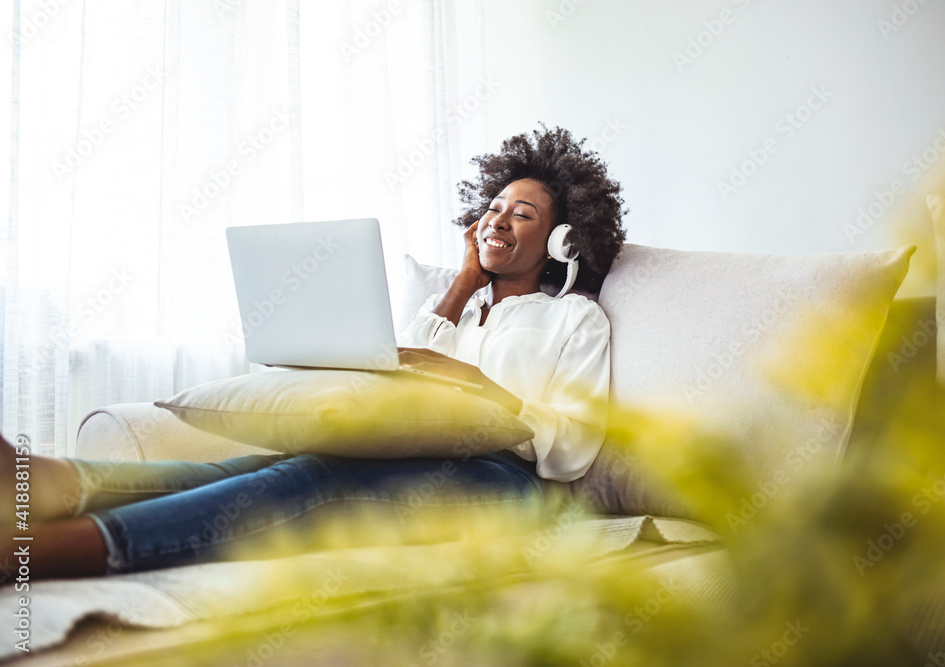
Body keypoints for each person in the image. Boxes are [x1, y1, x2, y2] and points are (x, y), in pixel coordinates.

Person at [0, 124, 627, 581]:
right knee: (256, 469)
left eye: (521, 215)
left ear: (562, 239)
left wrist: (480, 386)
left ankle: (51, 552)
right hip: (416, 445)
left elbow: (572, 446)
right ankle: (48, 482)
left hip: (510, 486)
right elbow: (395, 368)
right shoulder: (453, 305)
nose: (497, 220)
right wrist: (463, 282)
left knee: (316, 481)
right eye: (492, 208)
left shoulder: (574, 319)